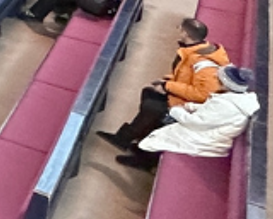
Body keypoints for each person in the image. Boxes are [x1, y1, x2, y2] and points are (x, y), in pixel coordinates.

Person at [97, 17, 229, 149]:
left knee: (152, 107)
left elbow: (203, 95)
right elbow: (185, 75)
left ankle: (132, 143)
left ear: (186, 34)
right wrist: (167, 81)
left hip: (193, 107)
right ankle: (137, 136)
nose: (178, 30)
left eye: (180, 29)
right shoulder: (193, 50)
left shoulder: (205, 64)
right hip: (185, 97)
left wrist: (168, 86)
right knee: (149, 93)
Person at [117, 65, 260, 170]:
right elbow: (209, 111)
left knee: (161, 120)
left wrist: (176, 111)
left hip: (207, 139)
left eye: (219, 78)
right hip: (206, 130)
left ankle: (143, 160)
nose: (216, 78)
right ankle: (142, 149)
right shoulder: (235, 99)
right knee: (160, 115)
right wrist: (190, 107)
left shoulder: (228, 104)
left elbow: (196, 122)